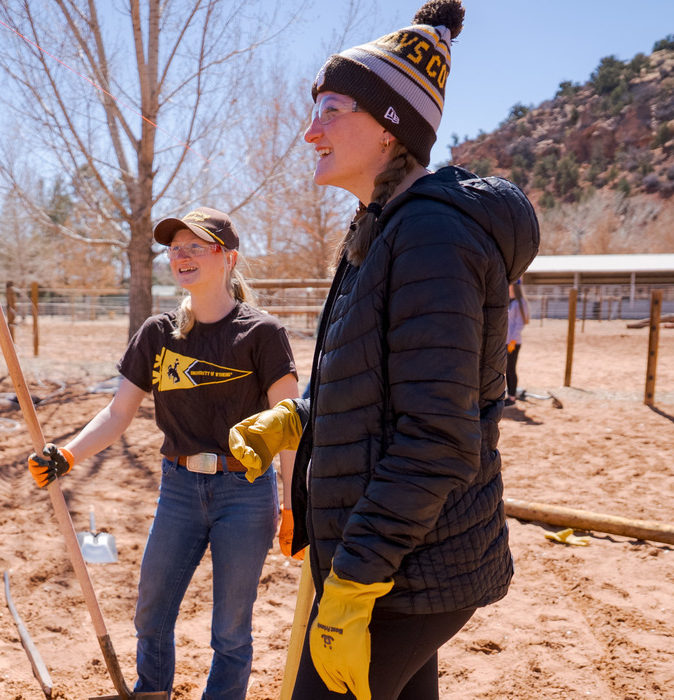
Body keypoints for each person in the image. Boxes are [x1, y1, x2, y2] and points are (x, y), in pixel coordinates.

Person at [229, 1, 538, 699]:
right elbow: (380, 386)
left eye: (330, 109)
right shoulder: (380, 229)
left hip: (406, 565)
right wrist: (298, 418)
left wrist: (357, 579)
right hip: (394, 557)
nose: (310, 132)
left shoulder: (430, 237)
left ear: (389, 125)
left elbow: (437, 436)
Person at [27, 208, 299, 700]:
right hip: (178, 489)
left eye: (196, 246)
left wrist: (293, 505)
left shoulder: (263, 334)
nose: (182, 256)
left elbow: (289, 428)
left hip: (246, 492)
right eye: (175, 248)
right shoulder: (159, 332)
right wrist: (66, 455)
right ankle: (152, 693)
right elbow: (117, 413)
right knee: (151, 613)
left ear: (228, 258)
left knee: (231, 630)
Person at [506, 279, 529, 406]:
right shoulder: (509, 302)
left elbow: (519, 324)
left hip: (513, 342)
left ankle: (512, 397)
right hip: (506, 341)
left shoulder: (520, 303)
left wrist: (513, 341)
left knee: (510, 369)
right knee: (505, 369)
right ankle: (509, 394)